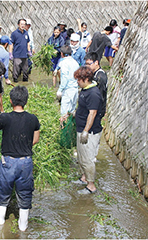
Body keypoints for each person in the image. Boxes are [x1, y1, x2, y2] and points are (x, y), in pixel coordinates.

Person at [0, 86, 40, 232]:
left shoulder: (5, 117)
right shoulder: (33, 119)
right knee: (24, 194)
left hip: (8, 162)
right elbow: (35, 140)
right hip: (25, 162)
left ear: (10, 101)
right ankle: (23, 228)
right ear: (26, 101)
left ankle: (0, 224)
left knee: (3, 191)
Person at [73, 66, 103, 194]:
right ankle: (84, 178)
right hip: (81, 128)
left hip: (90, 132)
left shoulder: (93, 93)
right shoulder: (85, 90)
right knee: (81, 156)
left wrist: (86, 131)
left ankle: (91, 186)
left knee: (88, 158)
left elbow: (93, 113)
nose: (77, 82)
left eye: (78, 79)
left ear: (85, 79)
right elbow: (83, 108)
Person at [56, 45, 80, 125]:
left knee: (64, 113)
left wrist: (60, 90)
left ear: (62, 54)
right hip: (75, 89)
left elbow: (64, 78)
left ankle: (64, 129)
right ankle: (72, 127)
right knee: (72, 111)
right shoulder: (75, 62)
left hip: (68, 90)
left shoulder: (64, 63)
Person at [85, 52, 107, 118]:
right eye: (86, 64)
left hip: (97, 110)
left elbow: (100, 95)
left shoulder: (100, 76)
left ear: (96, 63)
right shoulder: (93, 74)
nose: (87, 66)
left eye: (89, 64)